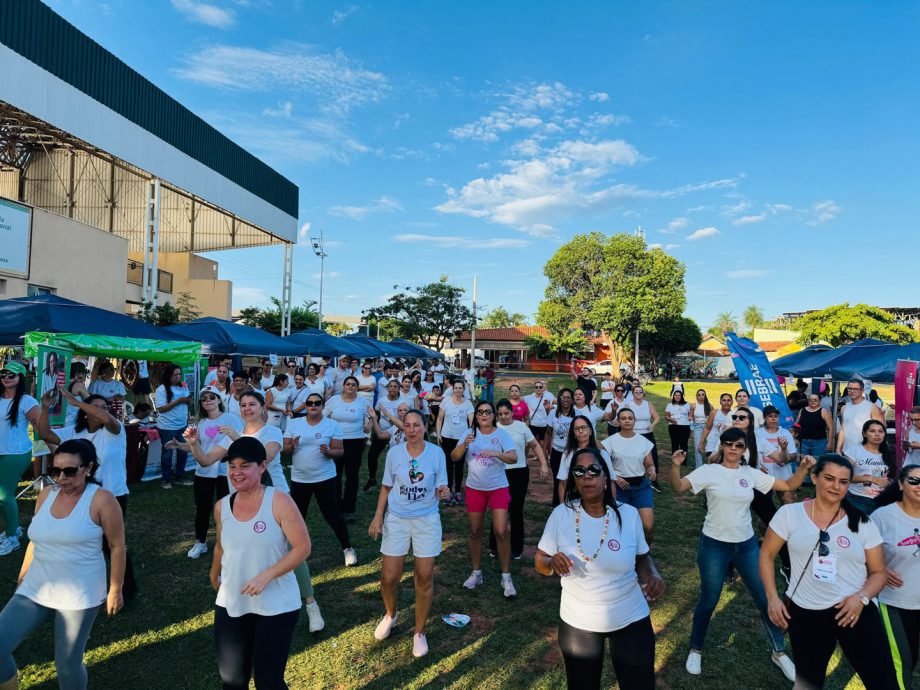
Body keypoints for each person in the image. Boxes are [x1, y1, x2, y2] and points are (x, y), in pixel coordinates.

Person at [670, 428, 810, 680]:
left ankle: (779, 652)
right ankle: (696, 648)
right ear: (722, 446)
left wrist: (804, 467)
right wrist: (676, 466)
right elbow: (679, 487)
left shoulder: (750, 474)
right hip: (714, 545)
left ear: (745, 449)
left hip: (745, 546)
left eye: (739, 445)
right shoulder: (709, 471)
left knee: (766, 598)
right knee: (709, 599)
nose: (734, 449)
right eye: (729, 444)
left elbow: (789, 484)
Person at [760, 454, 898, 689]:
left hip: (854, 611)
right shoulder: (789, 514)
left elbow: (879, 572)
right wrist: (773, 598)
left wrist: (861, 598)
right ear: (814, 478)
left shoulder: (862, 523)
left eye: (843, 481)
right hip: (806, 612)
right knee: (808, 682)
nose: (836, 486)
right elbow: (766, 555)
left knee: (883, 682)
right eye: (829, 478)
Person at [536, 447, 665, 690]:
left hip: (630, 615)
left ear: (606, 477)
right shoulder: (560, 516)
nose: (587, 475)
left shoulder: (628, 515)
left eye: (594, 470)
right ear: (574, 479)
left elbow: (642, 558)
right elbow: (540, 561)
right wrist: (551, 563)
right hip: (579, 620)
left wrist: (653, 575)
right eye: (579, 471)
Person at [0, 439, 125, 689]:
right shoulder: (46, 494)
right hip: (37, 585)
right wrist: (23, 574)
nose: (61, 478)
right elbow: (37, 537)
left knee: (67, 664)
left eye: (70, 471)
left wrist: (115, 589)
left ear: (88, 468)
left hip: (80, 591)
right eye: (55, 471)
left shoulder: (102, 500)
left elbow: (117, 546)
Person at [210, 437, 310, 690]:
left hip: (276, 605)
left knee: (268, 681)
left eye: (245, 466)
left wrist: (266, 575)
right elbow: (221, 544)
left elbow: (302, 547)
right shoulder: (222, 506)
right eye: (232, 466)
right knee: (232, 680)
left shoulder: (279, 502)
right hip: (232, 600)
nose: (236, 472)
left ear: (262, 467)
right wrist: (214, 573)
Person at [37, 389, 137, 599]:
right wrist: (45, 408)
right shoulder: (75, 432)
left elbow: (106, 418)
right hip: (83, 495)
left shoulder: (114, 430)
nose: (101, 411)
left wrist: (76, 401)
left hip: (112, 496)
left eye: (104, 408)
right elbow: (45, 434)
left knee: (112, 544)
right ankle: (86, 587)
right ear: (85, 412)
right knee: (85, 543)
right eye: (96, 406)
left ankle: (125, 590)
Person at [368, 410, 450, 658]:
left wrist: (444, 493)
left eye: (417, 425)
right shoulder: (394, 453)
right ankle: (391, 615)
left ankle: (419, 632)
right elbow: (386, 487)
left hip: (426, 520)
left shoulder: (436, 453)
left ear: (426, 427)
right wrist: (377, 517)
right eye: (407, 425)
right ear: (402, 428)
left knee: (424, 577)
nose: (412, 430)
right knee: (389, 579)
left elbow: (440, 487)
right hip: (397, 520)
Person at [450, 400, 518, 597]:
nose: (484, 415)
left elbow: (514, 457)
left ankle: (506, 576)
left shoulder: (501, 434)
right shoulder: (469, 434)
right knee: (474, 531)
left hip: (498, 487)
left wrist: (497, 453)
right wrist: (464, 444)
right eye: (480, 412)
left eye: (488, 412)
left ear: (493, 415)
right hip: (475, 488)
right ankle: (476, 572)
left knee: (501, 530)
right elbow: (454, 457)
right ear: (476, 416)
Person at [284, 393, 356, 567]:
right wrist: (291, 446)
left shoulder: (332, 425)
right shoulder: (294, 423)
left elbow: (339, 451)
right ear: (306, 406)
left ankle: (348, 548)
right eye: (309, 403)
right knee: (297, 517)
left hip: (325, 478)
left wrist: (329, 452)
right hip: (300, 479)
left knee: (332, 515)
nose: (313, 405)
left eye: (317, 403)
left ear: (322, 405)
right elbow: (285, 449)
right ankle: (292, 550)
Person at [175, 386, 243, 560]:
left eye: (211, 397)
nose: (208, 401)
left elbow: (242, 441)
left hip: (225, 471)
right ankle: (201, 542)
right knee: (202, 508)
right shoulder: (201, 423)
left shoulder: (231, 418)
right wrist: (180, 446)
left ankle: (228, 544)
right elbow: (198, 448)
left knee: (226, 509)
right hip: (204, 471)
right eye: (203, 399)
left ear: (219, 400)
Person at [871, 464, 920, 688]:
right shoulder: (883, 516)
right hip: (895, 602)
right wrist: (878, 567)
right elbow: (858, 549)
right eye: (914, 481)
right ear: (900, 484)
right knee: (903, 661)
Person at [493, 399, 548, 560]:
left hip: (519, 473)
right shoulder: (494, 428)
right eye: (500, 414)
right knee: (499, 510)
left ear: (512, 412)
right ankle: (495, 546)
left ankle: (516, 548)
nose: (504, 417)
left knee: (516, 510)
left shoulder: (521, 427)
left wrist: (543, 463)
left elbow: (535, 445)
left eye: (507, 413)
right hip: (499, 473)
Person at [0, 362, 41, 557]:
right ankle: (13, 528)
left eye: (11, 375)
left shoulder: (27, 401)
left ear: (20, 378)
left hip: (16, 453)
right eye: (3, 373)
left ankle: (12, 538)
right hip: (1, 452)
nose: (6, 377)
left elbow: (41, 427)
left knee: (4, 494)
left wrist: (49, 448)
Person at [601, 408, 656, 543]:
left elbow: (649, 464)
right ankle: (626, 555)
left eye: (630, 418)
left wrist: (652, 470)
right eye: (623, 418)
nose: (627, 421)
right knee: (623, 526)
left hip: (641, 487)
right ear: (618, 421)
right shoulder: (610, 441)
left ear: (634, 421)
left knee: (647, 526)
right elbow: (602, 465)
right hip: (619, 488)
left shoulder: (643, 441)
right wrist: (615, 477)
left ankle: (644, 555)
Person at [324, 376, 371, 519]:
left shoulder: (363, 402)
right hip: (336, 442)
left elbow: (371, 417)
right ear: (343, 386)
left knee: (352, 475)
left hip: (356, 442)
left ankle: (349, 508)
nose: (351, 387)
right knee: (335, 474)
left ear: (357, 387)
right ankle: (336, 506)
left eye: (354, 385)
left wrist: (368, 425)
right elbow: (324, 416)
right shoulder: (333, 400)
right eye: (348, 384)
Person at [843, 418, 896, 515]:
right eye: (872, 431)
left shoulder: (889, 452)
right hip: (859, 498)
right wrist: (871, 479)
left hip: (883, 499)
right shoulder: (854, 451)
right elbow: (845, 476)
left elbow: (893, 476)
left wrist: (890, 482)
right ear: (864, 434)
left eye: (880, 431)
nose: (877, 434)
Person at [435, 380, 474, 506]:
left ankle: (457, 491)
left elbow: (472, 422)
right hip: (446, 437)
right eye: (456, 388)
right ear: (453, 389)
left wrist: (470, 435)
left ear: (463, 390)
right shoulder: (446, 400)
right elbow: (440, 418)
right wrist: (438, 434)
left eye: (460, 388)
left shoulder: (468, 404)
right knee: (448, 465)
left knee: (459, 465)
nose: (458, 390)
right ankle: (448, 491)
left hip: (461, 440)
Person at [154, 364, 191, 489]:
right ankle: (166, 479)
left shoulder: (183, 386)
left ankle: (180, 476)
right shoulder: (162, 389)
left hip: (182, 425)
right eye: (175, 374)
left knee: (183, 451)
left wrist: (187, 401)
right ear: (169, 375)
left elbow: (187, 401)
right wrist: (178, 401)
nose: (178, 376)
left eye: (179, 374)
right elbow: (161, 409)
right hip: (167, 426)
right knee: (167, 453)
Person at [365, 379, 404, 493]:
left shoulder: (402, 402)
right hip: (381, 431)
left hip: (397, 433)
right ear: (387, 388)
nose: (392, 388)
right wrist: (369, 425)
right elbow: (376, 413)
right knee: (372, 455)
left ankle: (399, 482)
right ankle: (372, 479)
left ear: (398, 389)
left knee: (397, 459)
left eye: (395, 386)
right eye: (390, 386)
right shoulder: (382, 400)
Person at [756, 405, 799, 503]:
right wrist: (757, 465)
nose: (773, 418)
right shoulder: (757, 433)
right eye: (770, 416)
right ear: (764, 418)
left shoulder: (785, 433)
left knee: (788, 505)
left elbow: (793, 454)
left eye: (776, 416)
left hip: (783, 475)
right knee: (763, 510)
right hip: (764, 476)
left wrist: (785, 459)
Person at [623, 386, 661, 492]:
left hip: (648, 434)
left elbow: (657, 417)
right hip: (634, 435)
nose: (638, 393)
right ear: (633, 394)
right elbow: (625, 418)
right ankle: (634, 480)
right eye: (636, 392)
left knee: (653, 457)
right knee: (634, 457)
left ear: (643, 393)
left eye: (640, 392)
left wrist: (652, 425)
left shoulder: (647, 404)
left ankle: (654, 481)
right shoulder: (629, 405)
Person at [545, 388, 577, 507]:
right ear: (559, 399)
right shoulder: (553, 413)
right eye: (563, 397)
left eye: (568, 397)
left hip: (572, 453)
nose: (565, 400)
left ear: (572, 400)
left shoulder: (577, 414)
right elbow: (548, 432)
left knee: (573, 480)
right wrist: (545, 450)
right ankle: (557, 507)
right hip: (557, 452)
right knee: (558, 480)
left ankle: (573, 506)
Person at [836, 378, 885, 453]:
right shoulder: (844, 408)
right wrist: (838, 449)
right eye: (850, 389)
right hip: (847, 451)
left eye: (855, 389)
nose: (852, 391)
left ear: (862, 390)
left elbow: (881, 430)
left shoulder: (871, 407)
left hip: (866, 452)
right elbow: (843, 430)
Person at [795, 393, 834, 460]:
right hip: (803, 441)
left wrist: (830, 443)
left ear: (820, 401)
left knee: (817, 463)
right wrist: (794, 437)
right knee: (804, 463)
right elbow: (796, 424)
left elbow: (831, 428)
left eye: (815, 400)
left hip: (819, 442)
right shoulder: (802, 410)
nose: (812, 401)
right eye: (810, 400)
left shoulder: (824, 411)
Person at [698, 393, 734, 460]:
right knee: (710, 465)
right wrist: (701, 443)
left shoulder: (734, 415)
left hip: (726, 445)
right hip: (712, 444)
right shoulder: (714, 413)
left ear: (732, 402)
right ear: (720, 401)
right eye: (724, 400)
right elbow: (707, 428)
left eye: (729, 400)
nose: (726, 402)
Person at [523, 380, 555, 444]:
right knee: (530, 443)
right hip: (532, 424)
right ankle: (529, 454)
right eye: (536, 387)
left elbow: (558, 401)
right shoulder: (529, 397)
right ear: (534, 388)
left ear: (543, 389)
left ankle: (542, 453)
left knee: (542, 443)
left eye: (540, 387)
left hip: (544, 425)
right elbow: (518, 399)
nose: (538, 388)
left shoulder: (548, 397)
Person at [689, 389, 711, 469]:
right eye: (699, 394)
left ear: (705, 396)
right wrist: (691, 421)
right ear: (696, 396)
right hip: (697, 427)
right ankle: (699, 467)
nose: (701, 396)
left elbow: (713, 417)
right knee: (697, 447)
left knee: (709, 446)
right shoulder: (693, 405)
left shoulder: (709, 405)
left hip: (708, 427)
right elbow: (690, 416)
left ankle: (710, 465)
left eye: (703, 394)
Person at [665, 389, 692, 455]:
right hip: (673, 426)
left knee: (684, 444)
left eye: (679, 395)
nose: (677, 397)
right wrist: (671, 420)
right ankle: (675, 459)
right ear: (673, 396)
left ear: (682, 396)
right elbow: (666, 416)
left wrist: (690, 417)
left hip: (685, 426)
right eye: (676, 395)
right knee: (675, 443)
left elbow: (690, 414)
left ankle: (683, 460)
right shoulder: (670, 405)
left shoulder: (687, 404)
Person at [63, 362, 90, 428]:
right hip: (72, 423)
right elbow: (90, 401)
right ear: (78, 374)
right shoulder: (78, 385)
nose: (85, 376)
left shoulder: (64, 383)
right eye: (84, 373)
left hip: (60, 421)